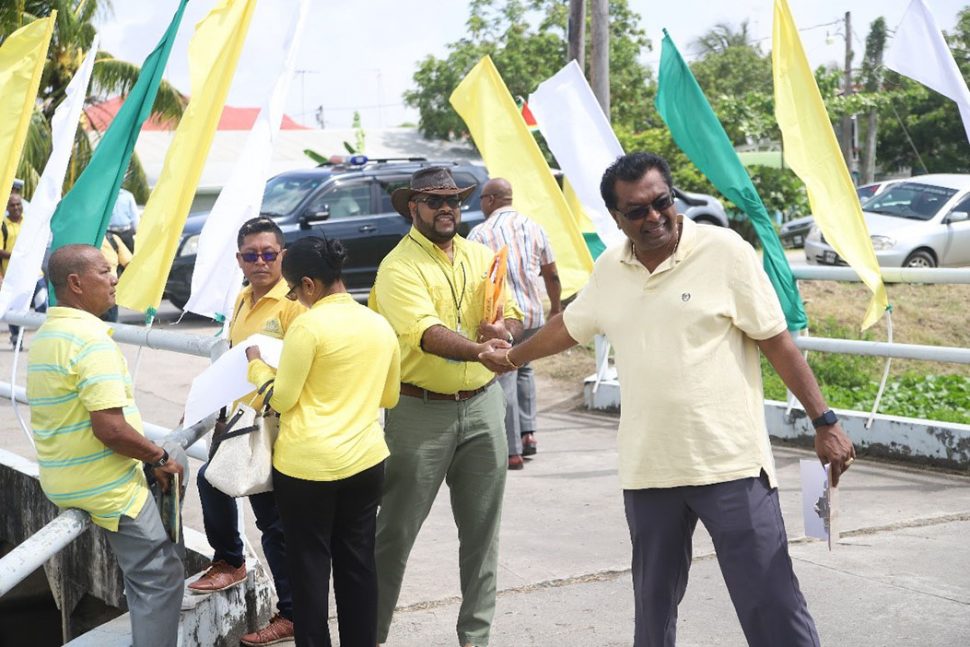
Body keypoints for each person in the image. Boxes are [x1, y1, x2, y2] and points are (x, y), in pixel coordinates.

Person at [480, 152, 856, 647]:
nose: (654, 217)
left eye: (662, 202)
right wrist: (510, 358)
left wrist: (824, 420)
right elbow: (566, 328)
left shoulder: (725, 252)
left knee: (772, 605)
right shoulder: (610, 269)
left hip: (731, 465)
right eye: (637, 211)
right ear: (616, 218)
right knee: (653, 613)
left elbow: (776, 341)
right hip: (650, 471)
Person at [369, 166, 522, 647]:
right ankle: (369, 637)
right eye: (435, 201)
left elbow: (511, 314)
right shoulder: (397, 267)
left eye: (454, 199)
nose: (447, 208)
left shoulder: (482, 255)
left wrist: (505, 334)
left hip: (482, 406)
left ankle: (475, 640)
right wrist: (481, 351)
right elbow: (427, 333)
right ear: (413, 207)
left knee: (482, 538)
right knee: (393, 537)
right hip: (419, 413)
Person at [245, 236, 400, 647]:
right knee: (358, 565)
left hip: (307, 467)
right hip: (366, 462)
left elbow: (283, 397)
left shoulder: (308, 326)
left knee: (310, 570)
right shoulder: (378, 323)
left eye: (294, 290)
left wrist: (257, 368)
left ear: (309, 285)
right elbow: (389, 397)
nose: (295, 297)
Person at [27, 244, 185, 647]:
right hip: (104, 484)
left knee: (174, 455)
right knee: (160, 576)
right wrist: (157, 456)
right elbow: (110, 430)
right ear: (76, 283)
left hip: (62, 475)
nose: (115, 279)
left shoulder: (49, 332)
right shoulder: (90, 340)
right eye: (105, 272)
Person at [188, 217, 304, 646]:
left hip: (278, 426)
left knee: (274, 524)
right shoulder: (240, 300)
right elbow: (235, 363)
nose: (260, 262)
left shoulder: (294, 304)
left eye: (269, 254)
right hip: (243, 424)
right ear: (239, 260)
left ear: (283, 256)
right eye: (251, 255)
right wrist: (221, 417)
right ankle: (230, 560)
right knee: (213, 481)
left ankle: (291, 613)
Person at [468, 178, 561, 469]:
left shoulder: (480, 234)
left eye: (482, 198)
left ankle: (511, 451)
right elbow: (552, 274)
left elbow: (472, 280)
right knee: (526, 368)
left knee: (505, 374)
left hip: (504, 321)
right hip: (533, 315)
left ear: (491, 200)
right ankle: (529, 433)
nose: (481, 204)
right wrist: (555, 307)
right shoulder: (535, 227)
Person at [100, 231, 133, 323]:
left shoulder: (111, 239)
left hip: (110, 294)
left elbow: (129, 264)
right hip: (88, 296)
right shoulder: (80, 239)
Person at [108, 187, 139, 252]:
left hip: (126, 233)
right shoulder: (106, 195)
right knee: (112, 259)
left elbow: (134, 215)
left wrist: (137, 231)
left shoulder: (128, 196)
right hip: (110, 234)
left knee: (130, 256)